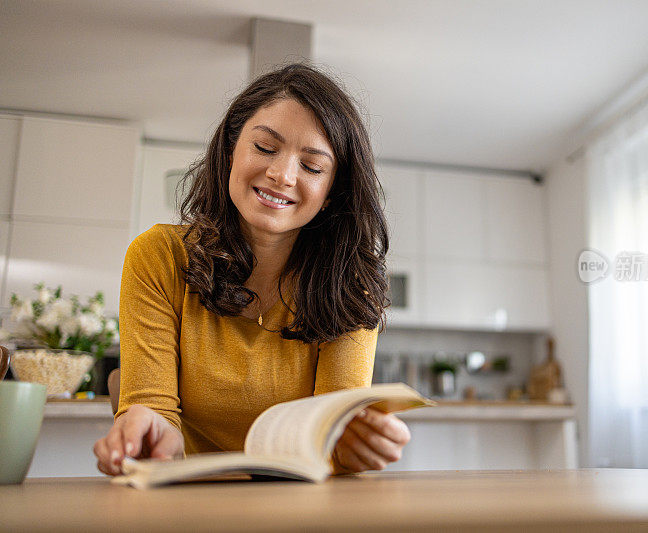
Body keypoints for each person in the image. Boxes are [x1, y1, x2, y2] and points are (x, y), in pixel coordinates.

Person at [93, 63, 410, 476]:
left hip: (302, 508)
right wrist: (147, 430)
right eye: (264, 148)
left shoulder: (350, 286)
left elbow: (333, 435)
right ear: (230, 151)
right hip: (187, 503)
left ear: (332, 192)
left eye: (312, 167)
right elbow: (156, 417)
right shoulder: (158, 256)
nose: (281, 175)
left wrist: (352, 447)